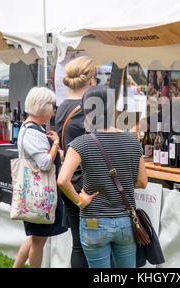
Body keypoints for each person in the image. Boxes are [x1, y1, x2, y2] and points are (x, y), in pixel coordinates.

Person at [57, 85, 148, 268]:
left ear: (86, 110)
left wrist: (80, 201)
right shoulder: (132, 140)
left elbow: (62, 180)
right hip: (125, 220)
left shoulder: (80, 143)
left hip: (93, 221)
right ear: (113, 109)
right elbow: (142, 182)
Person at [12, 87, 67, 268]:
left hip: (35, 191)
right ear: (42, 107)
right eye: (52, 106)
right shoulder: (34, 132)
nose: (54, 110)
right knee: (38, 241)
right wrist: (56, 143)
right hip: (40, 193)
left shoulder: (30, 128)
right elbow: (44, 163)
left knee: (36, 237)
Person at [54, 56, 98, 268]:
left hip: (70, 179)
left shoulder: (62, 106)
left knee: (78, 244)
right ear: (91, 80)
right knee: (91, 245)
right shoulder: (87, 109)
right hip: (84, 184)